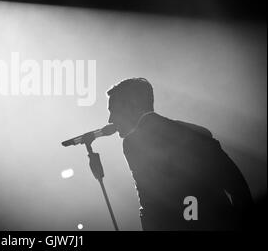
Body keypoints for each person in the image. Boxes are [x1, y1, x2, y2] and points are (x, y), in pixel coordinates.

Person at [107, 78, 254, 230]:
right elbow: (237, 185)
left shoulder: (134, 142)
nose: (110, 119)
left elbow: (152, 206)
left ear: (132, 106)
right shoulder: (196, 133)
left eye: (114, 111)